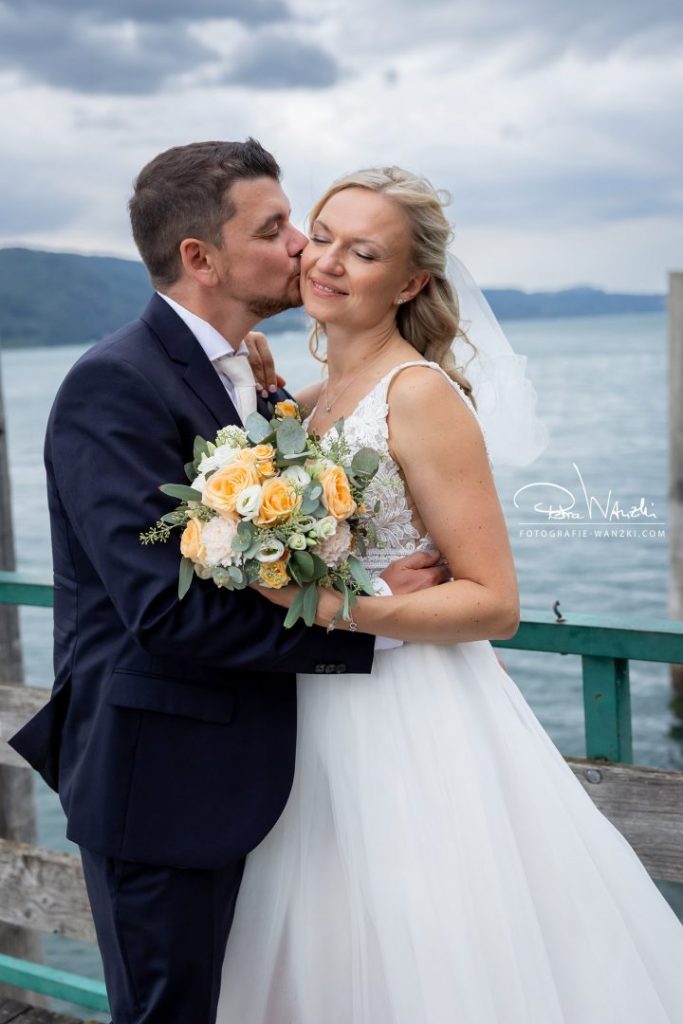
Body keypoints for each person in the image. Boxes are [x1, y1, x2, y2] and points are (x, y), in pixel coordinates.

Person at [215, 167, 683, 1023]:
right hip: (313, 711)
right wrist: (268, 402)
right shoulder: (313, 404)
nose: (327, 262)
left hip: (412, 717)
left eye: (363, 252)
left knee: (428, 944)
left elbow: (494, 601)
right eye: (322, 237)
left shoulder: (418, 394)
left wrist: (342, 608)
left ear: (410, 282)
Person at [8, 141, 448, 1024]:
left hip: (262, 771)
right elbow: (163, 613)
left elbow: (272, 551)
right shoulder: (114, 385)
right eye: (274, 228)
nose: (302, 249)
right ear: (199, 258)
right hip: (162, 779)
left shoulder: (251, 379)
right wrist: (381, 615)